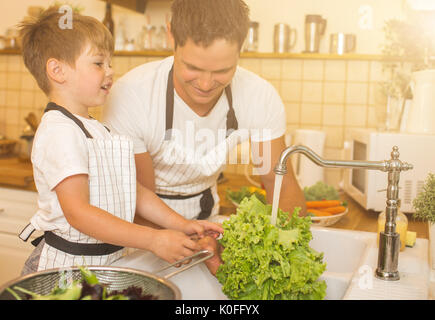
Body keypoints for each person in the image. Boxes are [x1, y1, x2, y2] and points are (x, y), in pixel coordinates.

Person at [17, 6, 223, 275]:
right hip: (67, 270)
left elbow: (135, 193)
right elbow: (79, 213)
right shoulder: (60, 131)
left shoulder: (96, 129)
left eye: (110, 63)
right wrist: (152, 239)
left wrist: (180, 224)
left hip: (104, 265)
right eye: (99, 63)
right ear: (57, 70)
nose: (110, 71)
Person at [103, 0, 306, 225]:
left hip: (208, 218)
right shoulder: (132, 95)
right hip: (144, 226)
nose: (206, 84)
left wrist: (285, 244)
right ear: (171, 34)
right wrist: (182, 241)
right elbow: (140, 198)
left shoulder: (260, 96)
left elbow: (280, 184)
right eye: (193, 68)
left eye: (222, 71)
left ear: (242, 45)